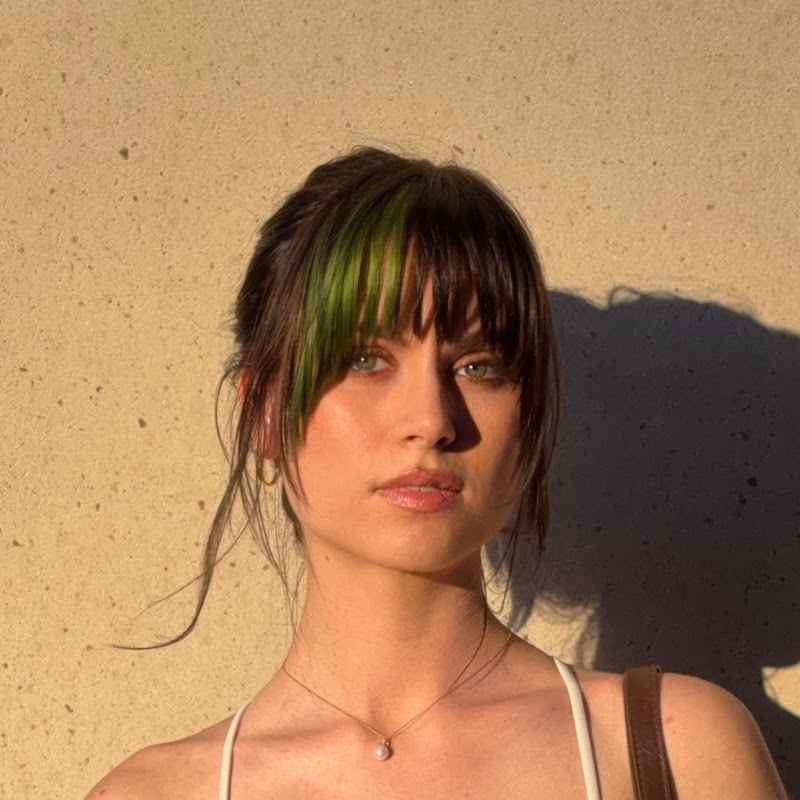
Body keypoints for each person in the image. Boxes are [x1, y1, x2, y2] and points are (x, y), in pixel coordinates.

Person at [87, 148, 787, 799]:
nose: (432, 420)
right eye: (366, 359)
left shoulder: (676, 754)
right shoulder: (152, 793)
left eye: (479, 367)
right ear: (264, 412)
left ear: (529, 418)